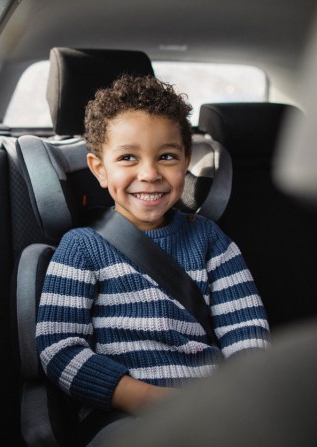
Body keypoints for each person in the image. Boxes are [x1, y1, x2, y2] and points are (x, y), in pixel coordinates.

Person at [35, 74, 270, 446]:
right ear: (99, 168)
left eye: (167, 156)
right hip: (123, 414)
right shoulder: (80, 248)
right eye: (128, 157)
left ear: (186, 162)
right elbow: (59, 348)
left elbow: (247, 335)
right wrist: (150, 399)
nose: (149, 174)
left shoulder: (212, 242)